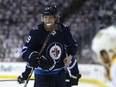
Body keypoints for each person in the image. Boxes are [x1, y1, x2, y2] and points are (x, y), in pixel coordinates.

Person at [19, 3, 79, 87]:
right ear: (42, 18)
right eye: (46, 17)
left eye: (50, 17)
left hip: (60, 75)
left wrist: (70, 56)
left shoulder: (64, 30)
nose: (48, 20)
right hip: (42, 76)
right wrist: (31, 56)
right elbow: (25, 50)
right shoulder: (36, 31)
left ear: (56, 18)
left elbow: (73, 45)